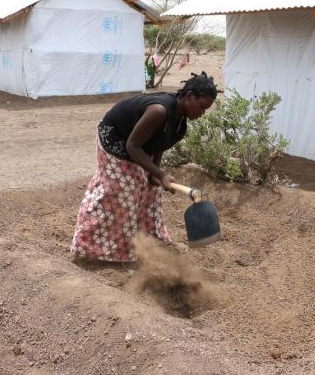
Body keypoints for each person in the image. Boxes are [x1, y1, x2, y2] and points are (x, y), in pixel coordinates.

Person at [70, 72, 217, 262]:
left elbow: (160, 143)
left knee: (151, 191)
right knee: (123, 193)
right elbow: (132, 146)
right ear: (189, 96)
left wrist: (153, 173)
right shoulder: (159, 110)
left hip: (137, 142)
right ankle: (91, 248)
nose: (202, 113)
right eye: (202, 106)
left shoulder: (180, 122)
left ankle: (149, 241)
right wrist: (160, 174)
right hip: (116, 138)